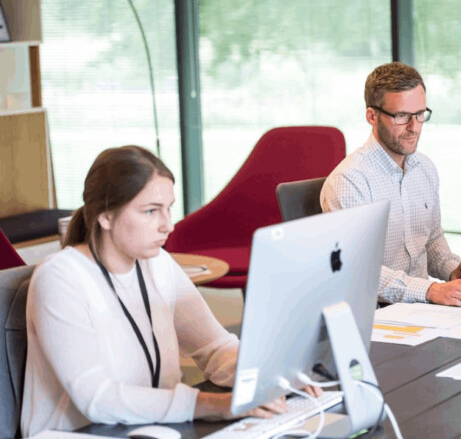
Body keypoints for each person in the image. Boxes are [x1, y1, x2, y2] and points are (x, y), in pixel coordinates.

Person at [21, 146, 319, 436]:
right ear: (106, 216)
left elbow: (215, 349)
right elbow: (98, 399)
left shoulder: (157, 263)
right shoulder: (60, 277)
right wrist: (214, 405)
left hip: (155, 428)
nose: (167, 225)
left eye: (168, 209)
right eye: (150, 211)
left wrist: (273, 377)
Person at [320, 62, 461, 308]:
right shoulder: (350, 181)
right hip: (377, 315)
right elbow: (358, 270)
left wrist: (455, 270)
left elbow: (431, 241)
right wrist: (431, 289)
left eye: (420, 114)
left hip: (422, 309)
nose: (414, 127)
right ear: (372, 116)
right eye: (401, 116)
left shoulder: (425, 169)